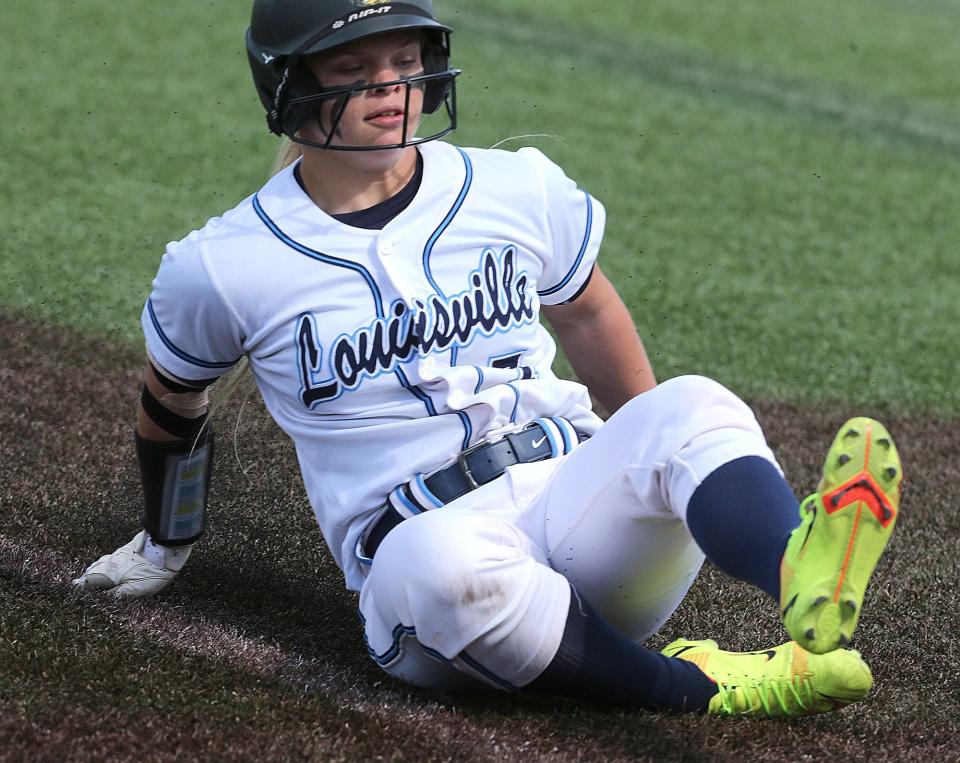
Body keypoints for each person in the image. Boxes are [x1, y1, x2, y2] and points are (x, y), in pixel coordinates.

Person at [74, 0, 904, 717]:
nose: (390, 86)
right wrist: (163, 541)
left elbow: (588, 309)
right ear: (289, 86)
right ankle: (704, 685)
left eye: (405, 61)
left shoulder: (513, 186)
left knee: (692, 404)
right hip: (430, 567)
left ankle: (799, 567)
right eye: (355, 68)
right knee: (441, 569)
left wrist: (649, 455)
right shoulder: (225, 264)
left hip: (576, 516)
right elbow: (172, 404)